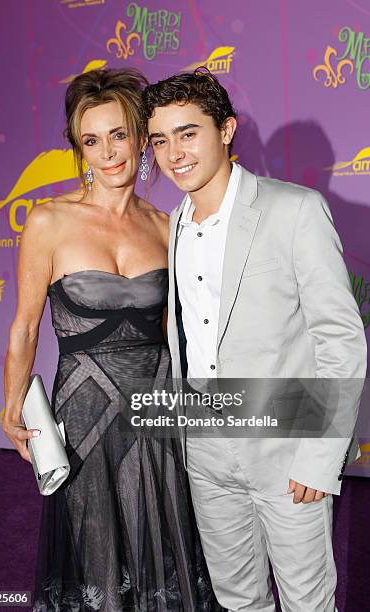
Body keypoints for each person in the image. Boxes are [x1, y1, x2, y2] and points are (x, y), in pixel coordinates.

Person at [142, 69, 367, 612]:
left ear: (226, 130)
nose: (174, 153)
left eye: (188, 133)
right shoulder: (173, 222)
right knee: (237, 597)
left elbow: (340, 338)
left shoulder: (295, 210)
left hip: (287, 448)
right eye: (160, 139)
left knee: (307, 601)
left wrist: (319, 457)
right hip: (206, 451)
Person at [3, 68, 224, 612]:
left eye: (118, 135)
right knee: (97, 558)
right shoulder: (49, 222)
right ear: (79, 149)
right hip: (84, 420)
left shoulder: (166, 224)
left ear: (140, 136)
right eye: (91, 140)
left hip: (158, 412)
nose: (108, 153)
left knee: (166, 549)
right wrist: (13, 404)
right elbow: (26, 326)